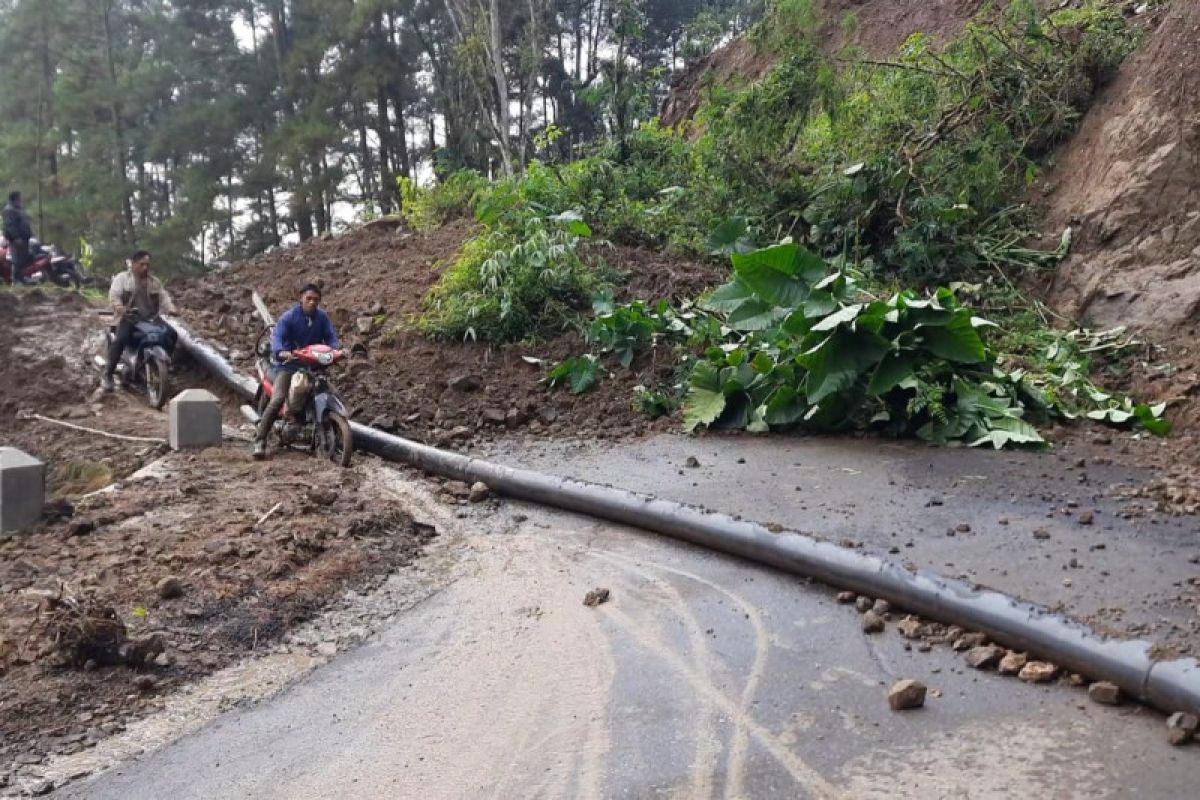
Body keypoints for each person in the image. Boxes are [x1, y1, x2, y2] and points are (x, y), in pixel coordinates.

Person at [252, 283, 341, 459]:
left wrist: (337, 350)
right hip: (288, 366)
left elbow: (331, 337)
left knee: (330, 392)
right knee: (277, 399)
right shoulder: (289, 317)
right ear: (301, 299)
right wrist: (282, 352)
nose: (312, 302)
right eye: (309, 298)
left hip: (312, 365)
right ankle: (259, 440)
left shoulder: (322, 318)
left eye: (316, 299)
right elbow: (278, 338)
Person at [101, 250, 177, 391]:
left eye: (147, 264)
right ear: (134, 264)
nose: (145, 267)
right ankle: (108, 374)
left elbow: (164, 297)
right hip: (129, 318)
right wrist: (119, 307)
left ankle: (165, 363)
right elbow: (114, 295)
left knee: (172, 334)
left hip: (150, 319)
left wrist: (171, 308)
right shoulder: (122, 278)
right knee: (121, 339)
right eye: (142, 264)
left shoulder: (154, 281)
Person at [3, 191, 33, 285]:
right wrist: (16, 238)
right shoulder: (9, 210)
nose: (21, 199)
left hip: (24, 238)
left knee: (24, 258)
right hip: (16, 239)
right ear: (15, 198)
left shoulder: (19, 209)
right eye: (20, 197)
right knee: (16, 260)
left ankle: (23, 278)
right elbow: (10, 226)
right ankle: (16, 280)